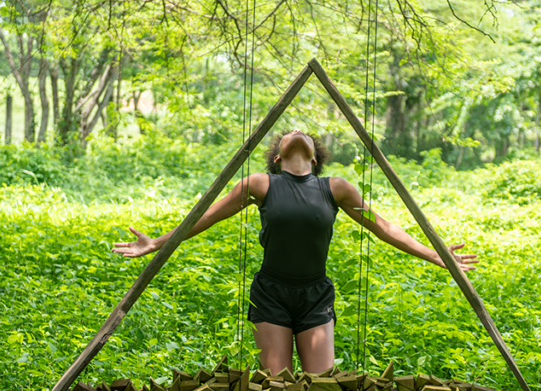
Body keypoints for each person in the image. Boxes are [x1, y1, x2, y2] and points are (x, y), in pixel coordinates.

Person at [112, 130, 478, 376]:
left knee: (320, 384)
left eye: (304, 134)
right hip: (271, 292)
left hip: (315, 295)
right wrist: (157, 242)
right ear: (276, 157)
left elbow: (384, 227)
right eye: (288, 132)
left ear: (315, 159)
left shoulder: (336, 188)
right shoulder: (260, 183)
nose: (297, 132)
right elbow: (203, 217)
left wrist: (436, 254)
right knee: (277, 383)